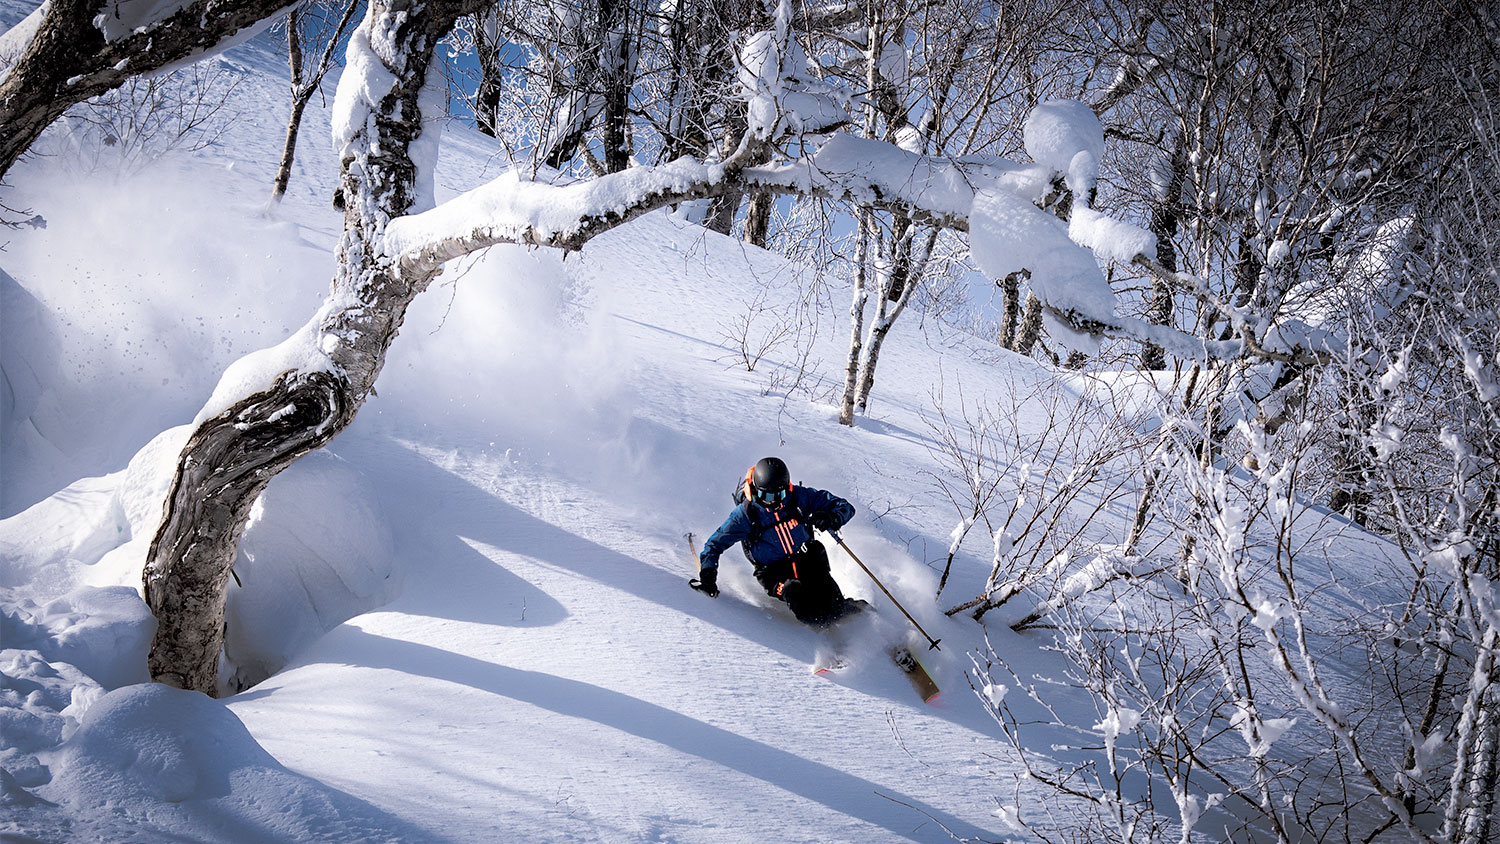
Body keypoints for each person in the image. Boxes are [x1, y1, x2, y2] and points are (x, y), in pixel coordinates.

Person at [692, 456, 856, 624]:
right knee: (796, 594)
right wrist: (708, 574)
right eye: (767, 496)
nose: (774, 502)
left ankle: (856, 619)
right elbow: (714, 544)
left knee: (836, 607)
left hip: (806, 558)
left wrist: (832, 517)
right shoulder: (745, 515)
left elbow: (845, 507)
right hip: (773, 572)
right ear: (756, 490)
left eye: (780, 494)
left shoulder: (798, 497)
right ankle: (816, 637)